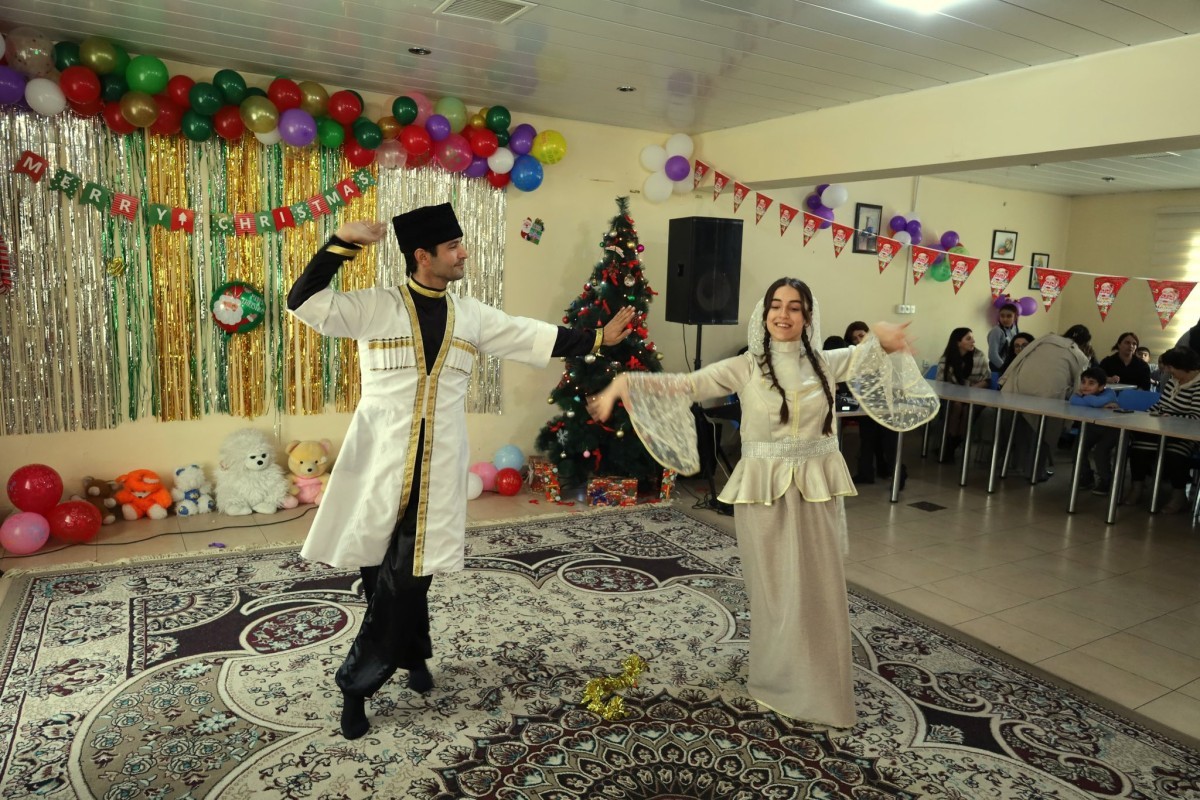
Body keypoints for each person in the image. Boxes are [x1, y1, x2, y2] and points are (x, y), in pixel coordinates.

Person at [287, 204, 636, 739]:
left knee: (409, 573)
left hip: (438, 471)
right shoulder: (376, 307)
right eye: (453, 247)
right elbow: (304, 301)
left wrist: (595, 339)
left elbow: (530, 334)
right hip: (378, 468)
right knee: (380, 571)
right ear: (422, 256)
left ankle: (356, 686)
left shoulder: (471, 316)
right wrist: (341, 241)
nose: (463, 253)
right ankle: (413, 656)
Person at [586, 278, 937, 728]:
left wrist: (883, 337)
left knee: (818, 589)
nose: (783, 314)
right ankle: (780, 679)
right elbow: (686, 385)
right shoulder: (745, 366)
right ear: (765, 313)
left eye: (794, 307)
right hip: (764, 494)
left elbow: (870, 355)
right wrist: (624, 383)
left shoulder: (826, 363)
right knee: (776, 591)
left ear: (807, 316)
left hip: (814, 492)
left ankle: (821, 683)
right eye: (776, 305)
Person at [999, 324, 1091, 480]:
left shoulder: (1047, 338)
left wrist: (1005, 379)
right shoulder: (1079, 355)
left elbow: (1020, 356)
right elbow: (1079, 385)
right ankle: (1036, 472)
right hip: (1050, 395)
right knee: (1044, 433)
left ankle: (1012, 467)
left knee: (1020, 428)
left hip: (1020, 388)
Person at [1125, 347, 1200, 512]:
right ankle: (1137, 487)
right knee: (1139, 447)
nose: (1168, 371)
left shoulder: (1198, 385)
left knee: (1175, 453)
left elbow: (1196, 418)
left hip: (1186, 436)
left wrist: (1170, 417)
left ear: (1184, 366)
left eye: (1171, 367)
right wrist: (1144, 416)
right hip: (1162, 431)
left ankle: (1179, 495)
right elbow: (1160, 406)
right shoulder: (1173, 381)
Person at [935, 327, 990, 463]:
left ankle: (951, 446)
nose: (973, 341)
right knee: (957, 405)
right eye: (968, 338)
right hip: (951, 397)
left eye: (972, 338)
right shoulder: (946, 359)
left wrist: (968, 392)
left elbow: (986, 380)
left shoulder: (979, 356)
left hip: (974, 396)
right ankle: (950, 444)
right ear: (958, 342)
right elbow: (940, 383)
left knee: (967, 409)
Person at [1068, 367, 1120, 493]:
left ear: (1101, 387)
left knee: (1100, 452)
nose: (1085, 386)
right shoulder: (1083, 395)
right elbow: (1073, 400)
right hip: (1092, 427)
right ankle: (1086, 476)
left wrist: (1085, 398)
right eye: (1083, 382)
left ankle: (1106, 480)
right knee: (1078, 448)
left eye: (1091, 383)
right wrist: (1094, 402)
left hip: (1112, 429)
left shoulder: (1109, 393)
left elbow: (1097, 403)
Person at [986, 303, 1020, 372]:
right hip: (999, 368)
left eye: (1009, 316)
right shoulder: (996, 331)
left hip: (1011, 366)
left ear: (1015, 317)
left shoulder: (1016, 329)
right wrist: (1005, 369)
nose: (1005, 319)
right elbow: (992, 355)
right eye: (1002, 316)